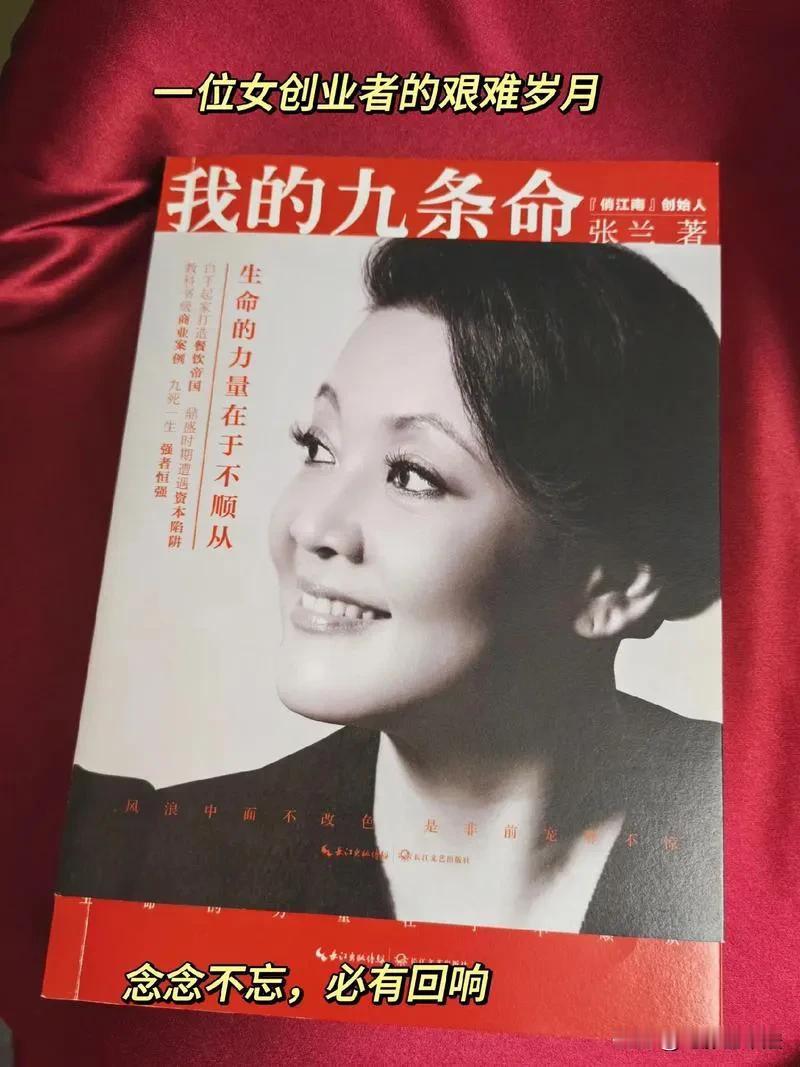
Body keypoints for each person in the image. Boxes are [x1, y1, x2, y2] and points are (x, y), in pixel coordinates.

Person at [58, 239, 722, 941]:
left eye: (411, 474)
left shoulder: (760, 837)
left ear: (614, 584)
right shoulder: (145, 869)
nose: (311, 525)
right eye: (319, 447)